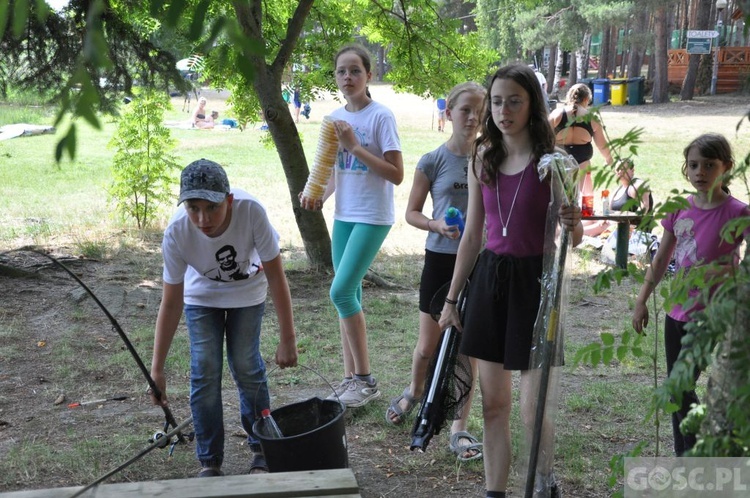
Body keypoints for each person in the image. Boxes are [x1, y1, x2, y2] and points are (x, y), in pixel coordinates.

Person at [438, 64, 582, 498]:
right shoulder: (483, 157)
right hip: (490, 282)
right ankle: (494, 492)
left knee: (531, 407)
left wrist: (572, 219)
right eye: (497, 101)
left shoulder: (556, 163)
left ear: (532, 105)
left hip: (537, 285)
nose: (504, 110)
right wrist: (451, 299)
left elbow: (573, 235)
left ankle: (543, 481)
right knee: (494, 403)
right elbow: (473, 236)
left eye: (514, 100)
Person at [149, 159, 299, 477]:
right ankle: (209, 459)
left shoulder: (251, 212)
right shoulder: (177, 231)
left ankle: (262, 448)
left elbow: (276, 277)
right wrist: (157, 368)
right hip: (201, 296)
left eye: (211, 208)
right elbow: (172, 301)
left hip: (248, 291)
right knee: (204, 368)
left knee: (246, 365)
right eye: (193, 208)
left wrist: (288, 338)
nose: (202, 219)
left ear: (228, 201)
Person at [299, 44, 403, 408]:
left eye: (355, 71)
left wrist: (355, 147)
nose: (348, 77)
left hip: (373, 216)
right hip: (344, 214)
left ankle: (365, 379)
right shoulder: (333, 119)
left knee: (340, 293)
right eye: (341, 71)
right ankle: (349, 380)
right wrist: (318, 195)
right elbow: (335, 171)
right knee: (350, 295)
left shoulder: (380, 117)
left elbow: (396, 174)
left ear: (368, 75)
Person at [385, 82, 485, 461]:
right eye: (465, 110)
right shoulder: (432, 160)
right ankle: (414, 390)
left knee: (466, 352)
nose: (473, 117)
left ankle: (459, 427)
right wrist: (436, 225)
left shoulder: (489, 159)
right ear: (449, 114)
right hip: (439, 259)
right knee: (428, 346)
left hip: (477, 264)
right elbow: (411, 212)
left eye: (479, 110)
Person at [632, 133, 749, 456]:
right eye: (694, 165)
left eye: (709, 165)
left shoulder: (738, 213)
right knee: (676, 390)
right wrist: (642, 300)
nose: (700, 172)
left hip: (713, 316)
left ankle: (703, 451)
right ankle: (687, 458)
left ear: (726, 168)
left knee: (682, 388)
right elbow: (661, 258)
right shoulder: (679, 209)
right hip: (677, 313)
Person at [548, 83, 612, 190]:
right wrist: (609, 158)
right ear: (586, 99)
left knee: (560, 199)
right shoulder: (592, 119)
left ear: (569, 97)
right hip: (582, 164)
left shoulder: (556, 114)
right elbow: (602, 146)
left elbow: (542, 139)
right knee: (583, 198)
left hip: (560, 163)